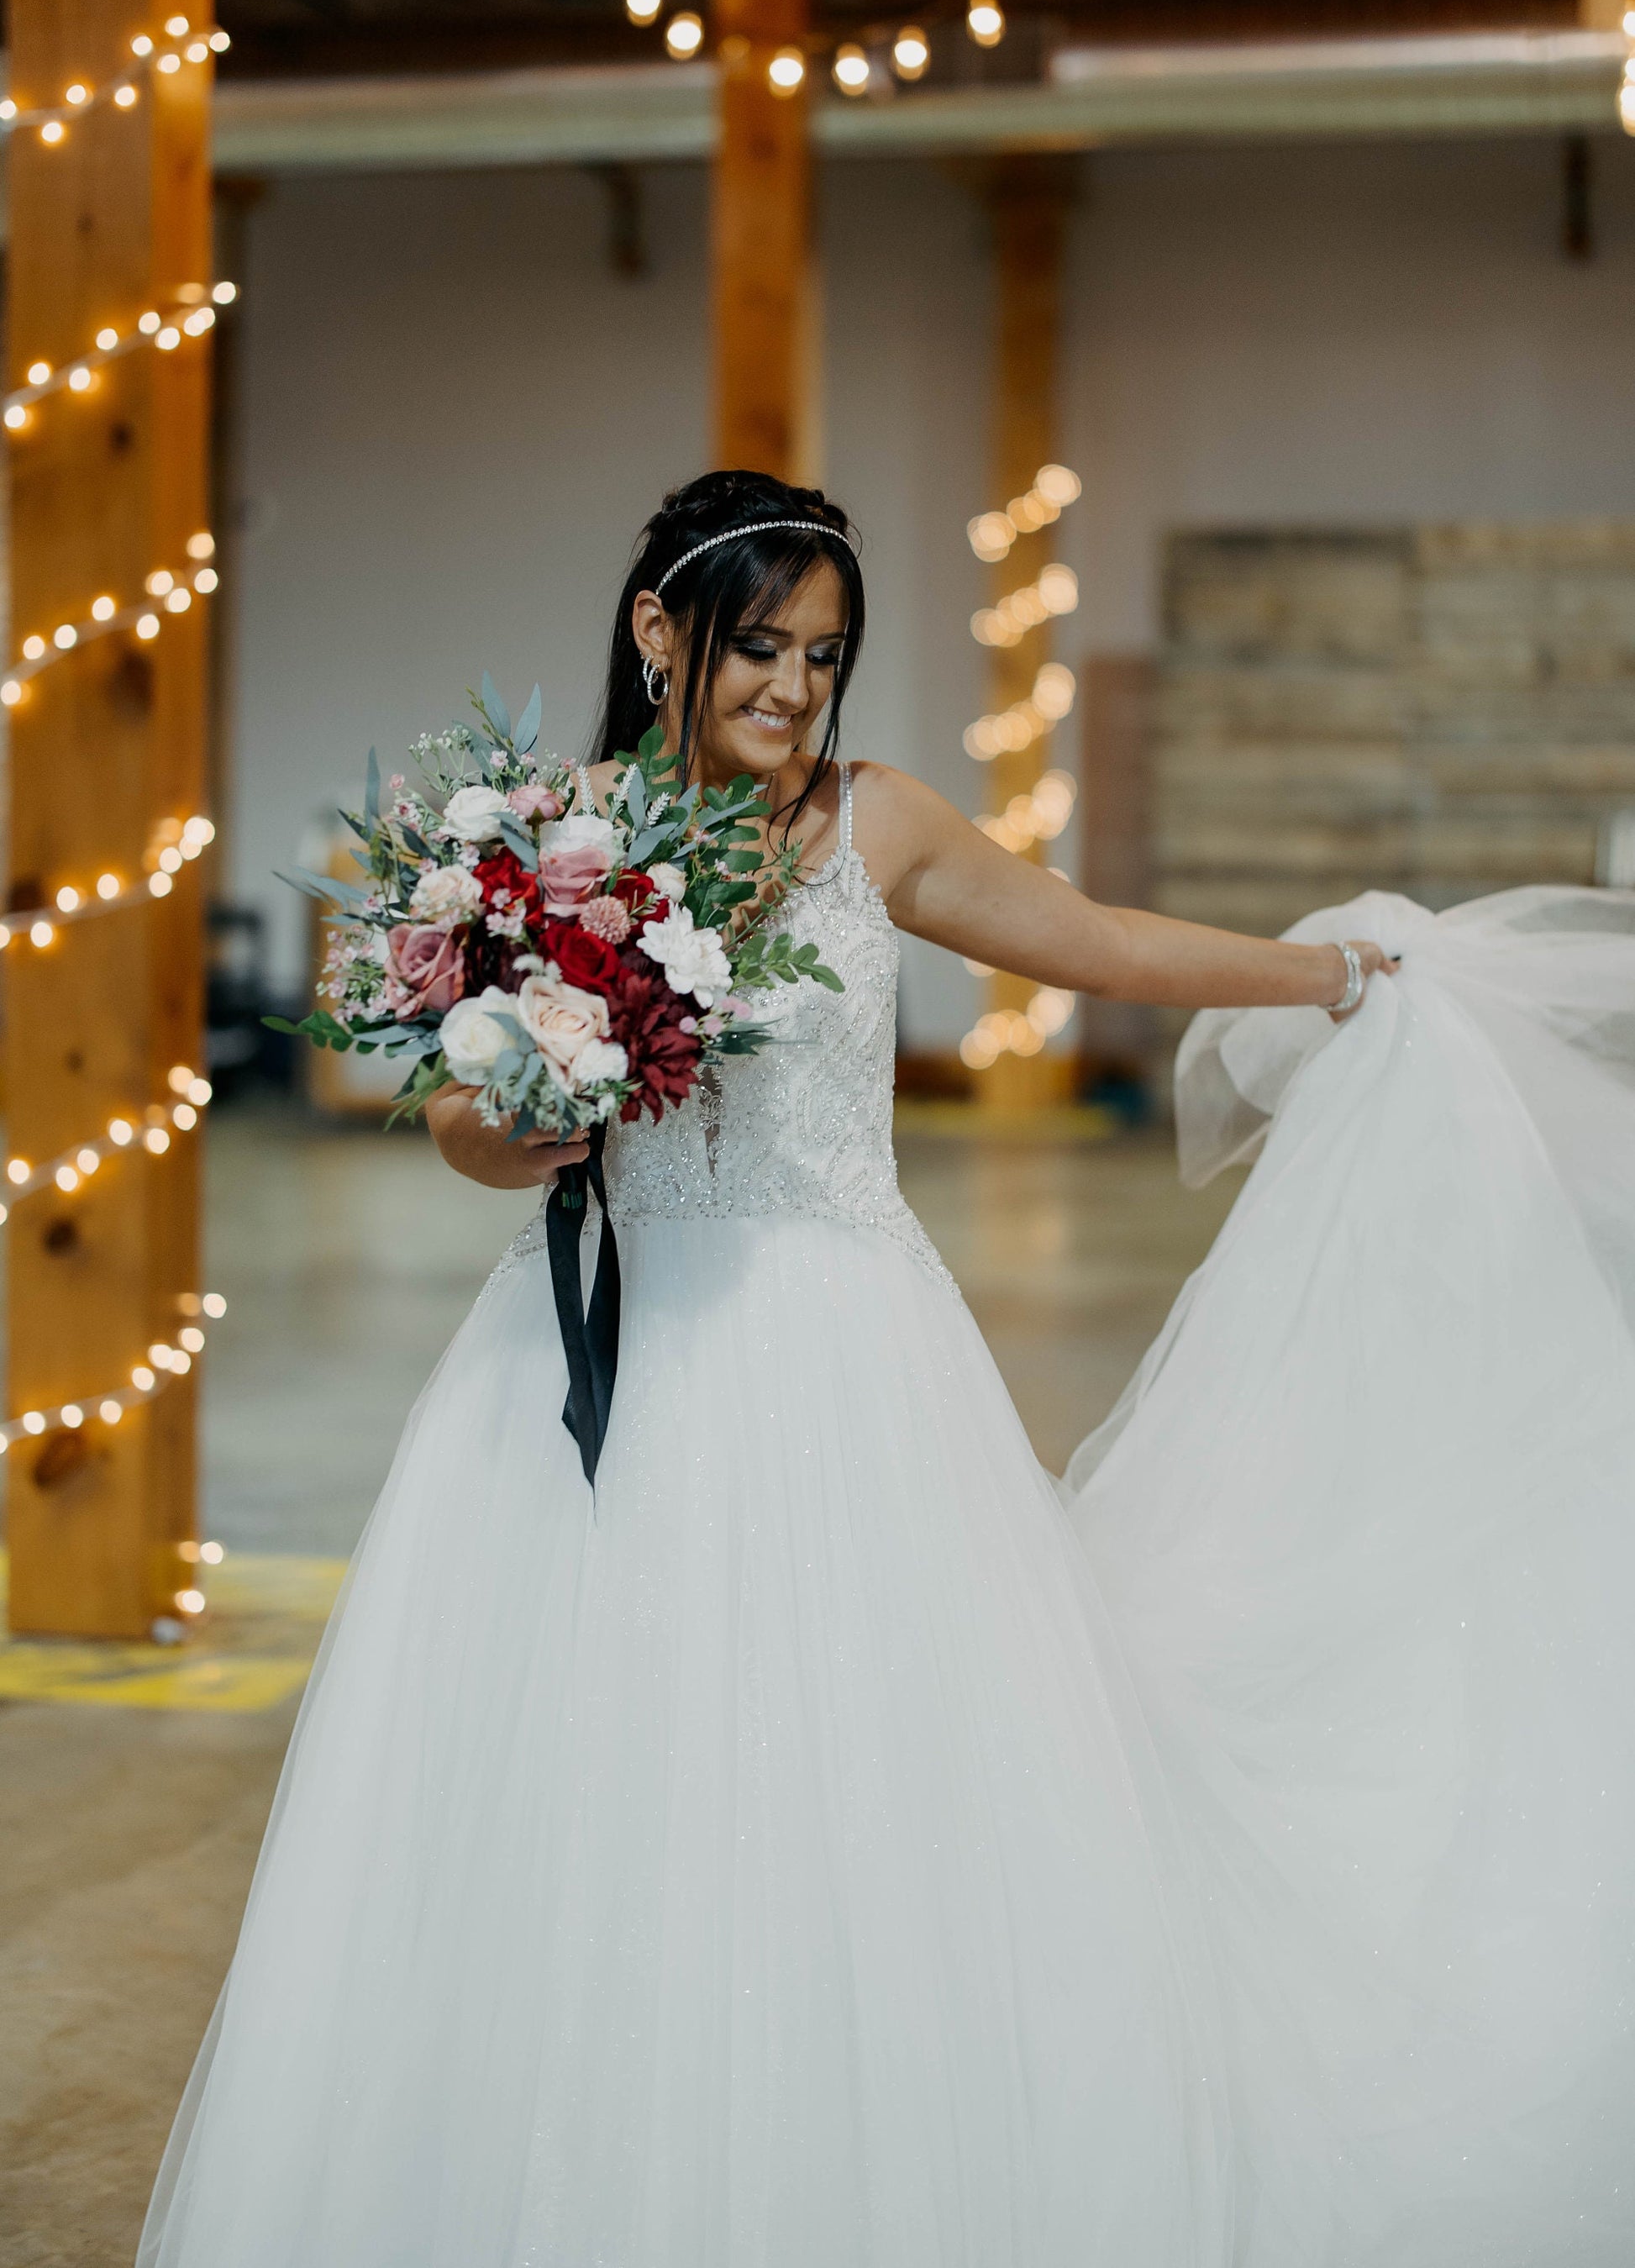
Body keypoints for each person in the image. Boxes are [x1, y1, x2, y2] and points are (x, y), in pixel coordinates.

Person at [139, 472, 1635, 2268]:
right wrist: (514, 1131)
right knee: (570, 1797)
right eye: (759, 642)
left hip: (841, 1364)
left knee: (860, 1789)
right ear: (656, 633)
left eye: (823, 652)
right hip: (591, 1364)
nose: (790, 684)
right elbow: (453, 1104)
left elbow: (1092, 936)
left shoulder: (881, 824)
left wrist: (1325, 974)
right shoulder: (541, 843)